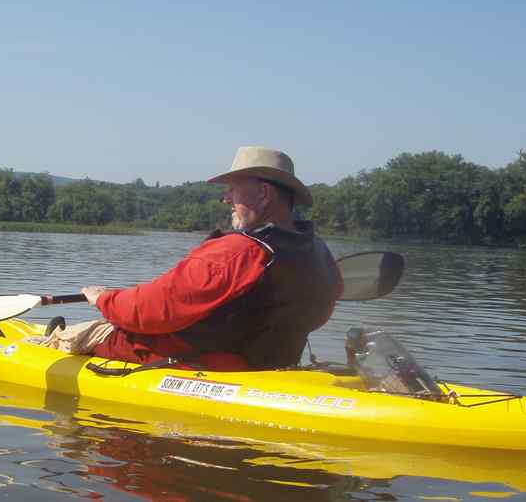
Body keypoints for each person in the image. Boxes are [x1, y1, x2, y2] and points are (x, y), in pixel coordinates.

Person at [41, 146, 342, 371]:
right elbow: (319, 315)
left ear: (263, 193)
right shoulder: (318, 252)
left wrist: (103, 298)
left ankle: (52, 338)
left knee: (85, 335)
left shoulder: (238, 251)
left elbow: (153, 310)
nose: (226, 198)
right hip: (267, 364)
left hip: (199, 362)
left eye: (233, 189)